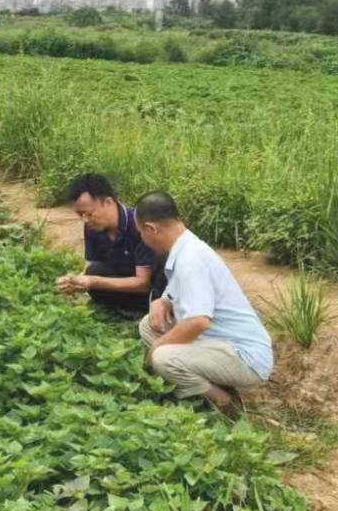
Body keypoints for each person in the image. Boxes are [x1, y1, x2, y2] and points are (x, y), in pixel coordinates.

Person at [133, 190, 272, 418]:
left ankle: (225, 403)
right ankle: (207, 381)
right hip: (220, 342)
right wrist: (163, 300)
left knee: (163, 358)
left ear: (151, 229)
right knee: (150, 325)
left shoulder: (190, 260)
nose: (142, 238)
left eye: (140, 232)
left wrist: (158, 347)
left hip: (244, 356)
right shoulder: (187, 248)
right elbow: (180, 291)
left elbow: (198, 322)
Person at [55, 173, 165, 315]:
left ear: (108, 202)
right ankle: (123, 309)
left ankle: (138, 311)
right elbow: (90, 266)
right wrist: (75, 281)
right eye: (80, 215)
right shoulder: (92, 227)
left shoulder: (137, 225)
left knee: (94, 278)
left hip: (150, 291)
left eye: (88, 214)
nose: (85, 220)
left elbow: (143, 283)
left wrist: (92, 281)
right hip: (121, 283)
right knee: (94, 271)